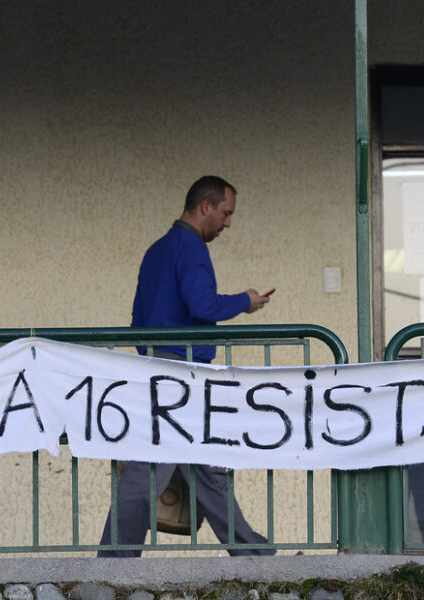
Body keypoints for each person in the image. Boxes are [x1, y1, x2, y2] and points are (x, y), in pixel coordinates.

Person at [98, 175, 275, 557]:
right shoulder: (192, 249)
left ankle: (253, 554)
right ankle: (112, 562)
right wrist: (245, 300)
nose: (228, 223)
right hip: (181, 373)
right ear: (205, 206)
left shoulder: (156, 250)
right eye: (226, 213)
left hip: (157, 369)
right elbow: (203, 306)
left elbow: (137, 321)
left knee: (207, 470)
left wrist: (148, 361)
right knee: (150, 472)